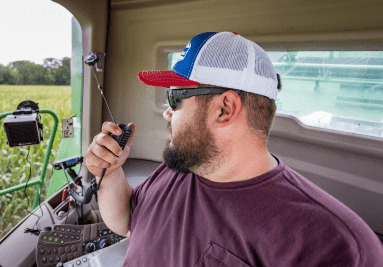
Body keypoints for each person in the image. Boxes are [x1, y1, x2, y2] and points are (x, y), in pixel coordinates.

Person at [86, 32, 383, 266]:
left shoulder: (337, 246)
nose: (167, 111)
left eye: (174, 97)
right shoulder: (183, 165)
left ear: (224, 109)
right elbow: (128, 223)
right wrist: (110, 173)